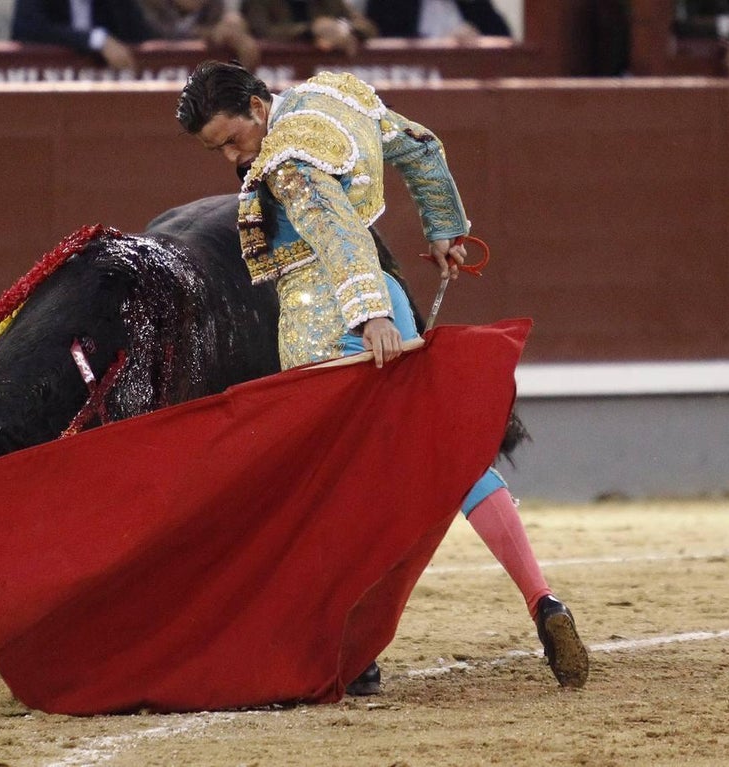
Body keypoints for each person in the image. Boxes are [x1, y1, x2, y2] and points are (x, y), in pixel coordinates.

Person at [175, 60, 589, 693]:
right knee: (453, 453)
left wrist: (366, 316)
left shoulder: (286, 158)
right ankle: (542, 598)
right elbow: (421, 146)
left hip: (327, 323)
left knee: (326, 483)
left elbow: (339, 235)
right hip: (392, 303)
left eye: (233, 137)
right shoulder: (335, 95)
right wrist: (445, 229)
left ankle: (352, 652)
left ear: (260, 106)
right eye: (217, 149)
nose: (232, 154)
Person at [10, 0, 156, 70]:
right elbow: (30, 29)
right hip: (45, 89)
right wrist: (96, 40)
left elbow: (140, 35)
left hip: (105, 97)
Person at [138, 0, 262, 69]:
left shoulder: (216, 8)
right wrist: (209, 34)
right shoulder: (139, 7)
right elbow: (159, 33)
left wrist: (236, 36)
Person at [241, 0, 379, 56]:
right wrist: (310, 30)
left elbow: (367, 27)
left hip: (325, 75)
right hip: (275, 72)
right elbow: (261, 31)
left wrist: (342, 29)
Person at [357, 0, 512, 41]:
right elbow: (383, 38)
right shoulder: (391, 3)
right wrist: (440, 42)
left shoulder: (471, 4)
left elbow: (504, 37)